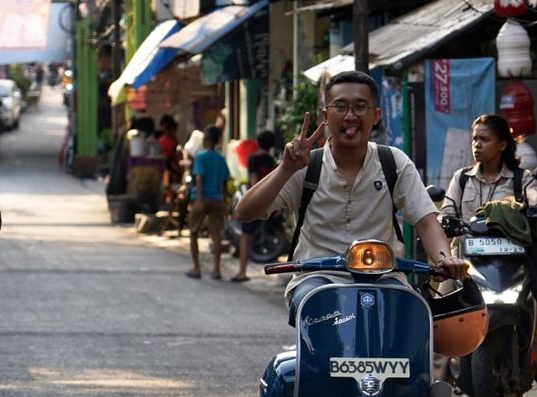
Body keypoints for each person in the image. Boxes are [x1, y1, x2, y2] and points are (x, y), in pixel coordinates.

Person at [235, 70, 467, 322]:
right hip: (317, 281)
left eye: (360, 107)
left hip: (384, 277)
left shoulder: (394, 162)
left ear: (376, 116)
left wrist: (445, 259)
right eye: (341, 107)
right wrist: (286, 168)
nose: (350, 116)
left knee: (411, 315)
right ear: (325, 116)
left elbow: (426, 220)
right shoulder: (304, 167)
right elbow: (245, 212)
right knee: (317, 307)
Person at [441, 114, 537, 397]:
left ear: (502, 144)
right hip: (468, 267)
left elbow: (535, 196)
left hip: (511, 266)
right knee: (439, 316)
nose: (477, 144)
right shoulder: (461, 178)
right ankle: (428, 389)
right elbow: (447, 208)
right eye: (474, 139)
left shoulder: (519, 178)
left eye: (484, 139)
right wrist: (444, 219)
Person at [186, 125, 231, 280]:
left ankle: (196, 267)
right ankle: (217, 269)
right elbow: (225, 182)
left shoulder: (200, 156)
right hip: (217, 199)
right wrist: (225, 200)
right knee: (216, 235)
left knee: (193, 232)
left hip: (202, 198)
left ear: (205, 139)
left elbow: (199, 178)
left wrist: (198, 199)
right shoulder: (221, 159)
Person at [232, 130, 278, 282]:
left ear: (258, 143)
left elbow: (253, 180)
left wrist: (252, 199)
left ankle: (242, 272)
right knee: (279, 228)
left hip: (257, 200)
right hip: (270, 199)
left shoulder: (253, 159)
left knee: (246, 236)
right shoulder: (270, 160)